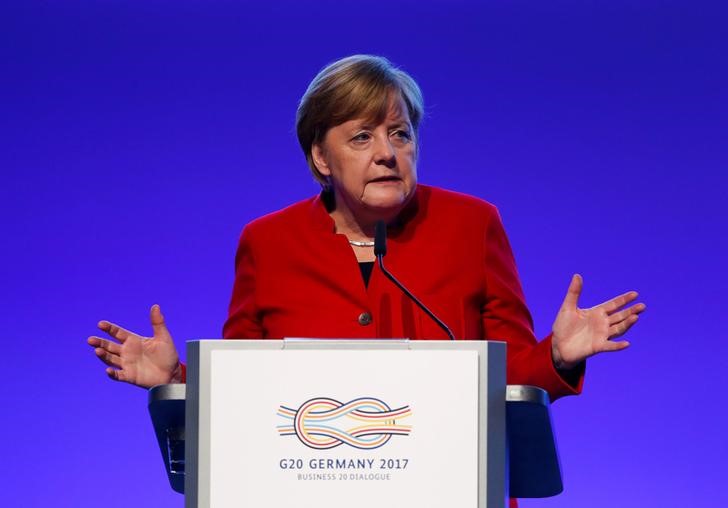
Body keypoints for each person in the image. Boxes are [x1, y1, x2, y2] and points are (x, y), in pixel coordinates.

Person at [87, 54, 645, 399]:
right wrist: (177, 380)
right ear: (321, 159)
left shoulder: (472, 224)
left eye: (400, 134)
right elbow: (243, 390)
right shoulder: (267, 242)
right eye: (362, 137)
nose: (387, 153)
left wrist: (557, 354)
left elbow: (510, 375)